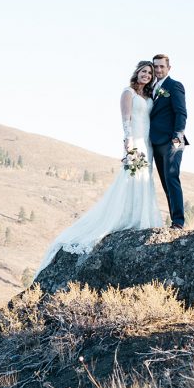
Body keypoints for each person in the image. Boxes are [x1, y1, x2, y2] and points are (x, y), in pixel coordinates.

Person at [37, 61, 164, 273]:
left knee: (144, 178)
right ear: (137, 73)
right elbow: (126, 119)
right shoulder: (128, 93)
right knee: (131, 178)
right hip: (135, 141)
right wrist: (128, 142)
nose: (147, 75)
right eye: (144, 71)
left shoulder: (149, 97)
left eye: (150, 73)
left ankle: (141, 216)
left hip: (148, 143)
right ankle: (126, 217)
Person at [148, 53, 189, 228]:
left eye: (161, 66)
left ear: (168, 68)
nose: (158, 70)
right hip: (155, 142)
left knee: (172, 177)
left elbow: (181, 113)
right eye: (155, 66)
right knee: (165, 182)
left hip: (173, 141)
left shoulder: (174, 85)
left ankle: (178, 222)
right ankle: (174, 220)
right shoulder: (151, 89)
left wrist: (177, 138)